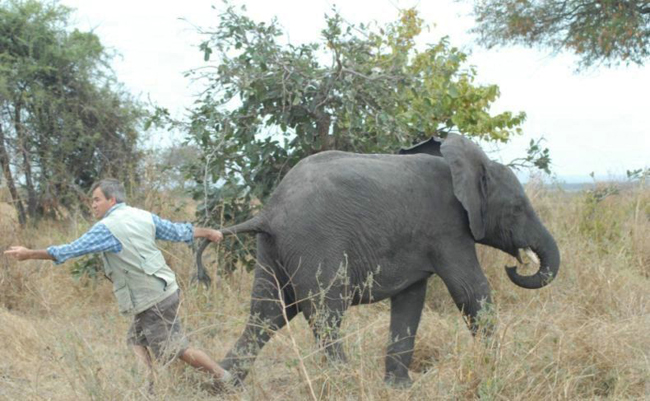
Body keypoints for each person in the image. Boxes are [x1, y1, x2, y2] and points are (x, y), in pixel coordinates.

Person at [4, 178, 231, 393]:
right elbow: (177, 231)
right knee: (136, 339)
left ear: (111, 200)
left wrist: (29, 254)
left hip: (152, 298)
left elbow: (69, 250)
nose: (92, 205)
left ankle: (224, 378)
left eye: (96, 199)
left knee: (176, 350)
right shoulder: (141, 215)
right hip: (163, 290)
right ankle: (147, 388)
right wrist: (208, 232)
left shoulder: (107, 227)